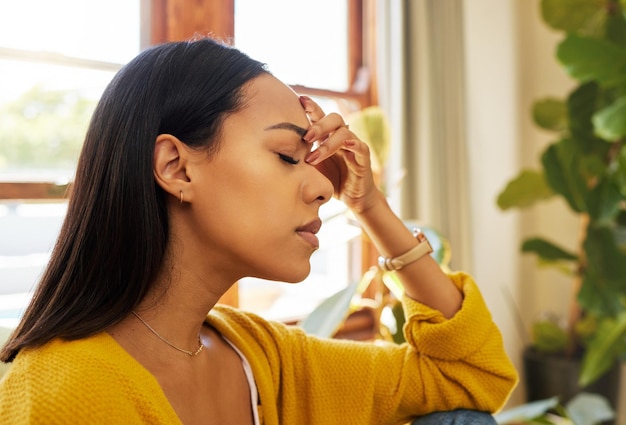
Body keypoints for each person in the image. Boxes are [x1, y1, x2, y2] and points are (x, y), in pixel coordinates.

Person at [0, 37, 517, 424]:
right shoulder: (62, 392)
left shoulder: (259, 355)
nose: (322, 185)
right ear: (177, 168)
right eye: (287, 156)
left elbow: (468, 377)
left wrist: (371, 206)